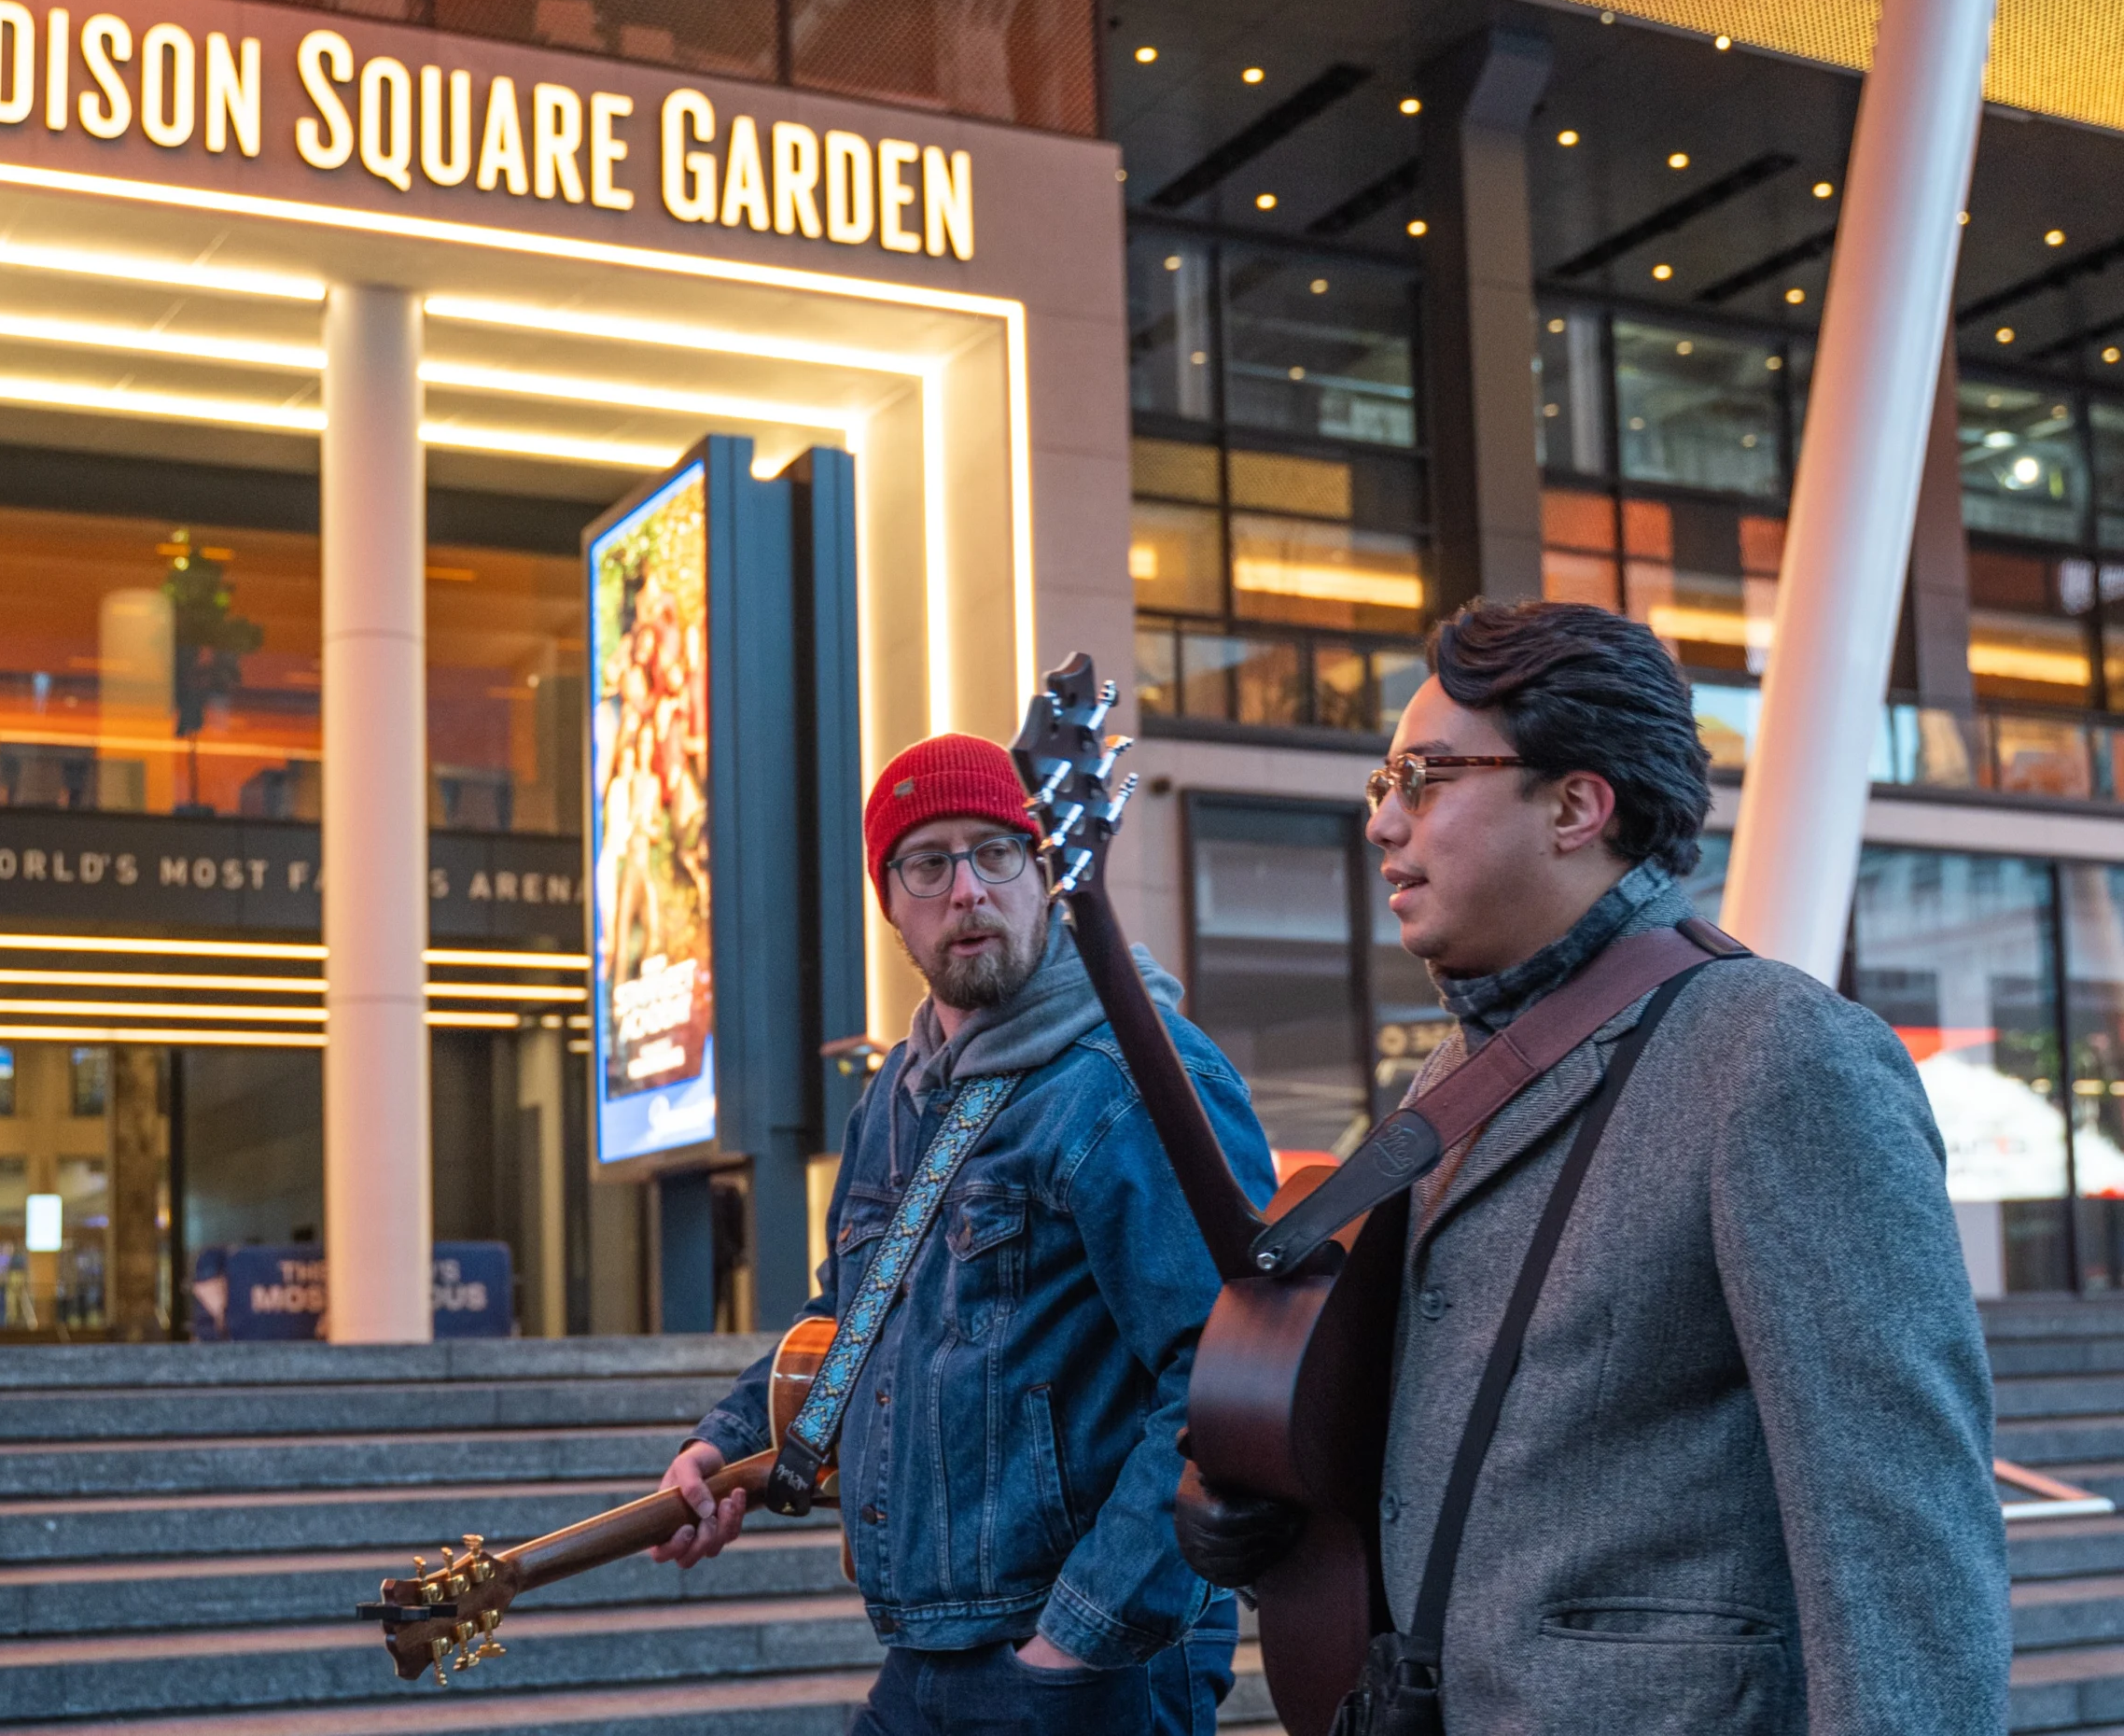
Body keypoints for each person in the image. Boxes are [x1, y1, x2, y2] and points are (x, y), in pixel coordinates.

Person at [1180, 600, 2008, 1734]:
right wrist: (1290, 1509)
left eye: (1422, 776)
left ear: (1576, 805)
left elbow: (1902, 1539)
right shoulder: (1451, 1076)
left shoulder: (1775, 1051)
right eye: (1384, 784)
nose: (1382, 822)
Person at [656, 732, 1279, 1735]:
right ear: (889, 900)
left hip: (1086, 1664)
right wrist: (719, 1442)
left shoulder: (1135, 1079)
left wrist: (1071, 1642)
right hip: (925, 1647)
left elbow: (1225, 1380)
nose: (968, 889)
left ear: (1045, 874)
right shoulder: (894, 1101)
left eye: (997, 852)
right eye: (929, 861)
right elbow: (847, 1315)